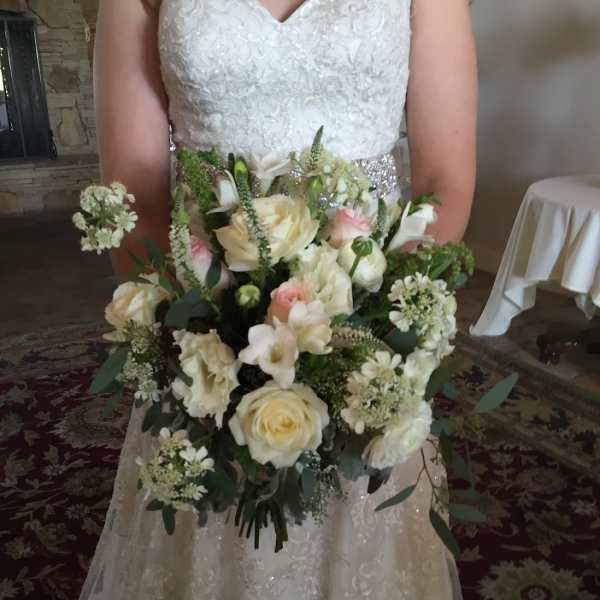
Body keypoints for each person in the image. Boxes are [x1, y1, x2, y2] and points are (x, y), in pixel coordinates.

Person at [81, 1, 477, 598]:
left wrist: (372, 321)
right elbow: (135, 189)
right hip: (206, 331)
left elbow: (445, 179)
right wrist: (203, 329)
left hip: (366, 332)